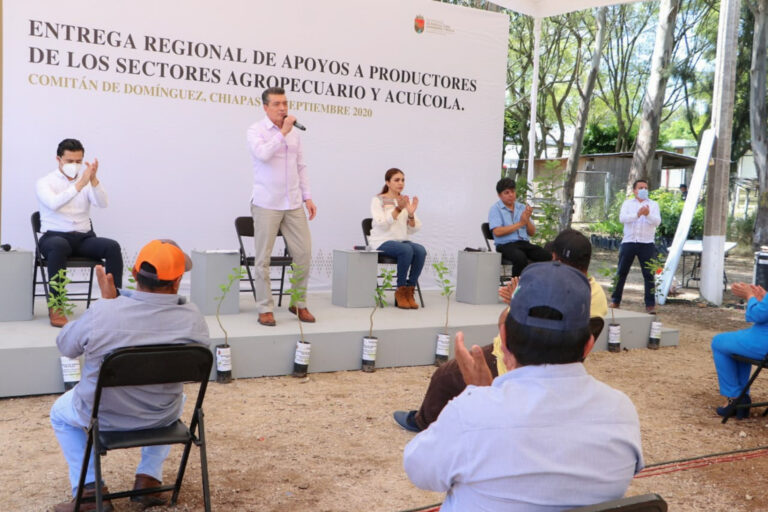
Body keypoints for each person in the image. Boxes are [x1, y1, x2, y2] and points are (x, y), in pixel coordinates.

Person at [403, 262, 643, 511]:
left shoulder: (471, 413)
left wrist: (481, 396)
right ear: (588, 345)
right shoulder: (621, 411)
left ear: (504, 339)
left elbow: (419, 471)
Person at [393, 229, 608, 432]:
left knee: (444, 376)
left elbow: (506, 328)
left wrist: (517, 301)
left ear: (555, 259)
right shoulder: (597, 295)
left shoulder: (544, 287)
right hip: (560, 368)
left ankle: (424, 422)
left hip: (515, 361)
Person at [50, 240, 209, 512]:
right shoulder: (193, 318)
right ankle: (147, 481)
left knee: (59, 413)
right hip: (162, 417)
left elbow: (66, 346)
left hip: (103, 418)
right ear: (178, 281)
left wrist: (107, 303)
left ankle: (90, 493)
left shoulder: (104, 312)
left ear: (134, 275)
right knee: (178, 397)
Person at [247, 86, 317, 327]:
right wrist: (282, 133)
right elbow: (263, 155)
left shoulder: (295, 135)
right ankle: (265, 308)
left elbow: (301, 166)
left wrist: (307, 196)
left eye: (285, 103)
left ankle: (297, 303)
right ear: (265, 107)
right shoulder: (255, 130)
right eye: (277, 104)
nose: (283, 108)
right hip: (267, 202)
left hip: (293, 202)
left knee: (304, 254)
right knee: (263, 259)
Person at [36, 138, 123, 328]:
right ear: (58, 159)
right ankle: (57, 304)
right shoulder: (45, 182)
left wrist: (93, 180)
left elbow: (102, 203)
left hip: (83, 237)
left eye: (78, 161)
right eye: (69, 161)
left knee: (112, 246)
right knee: (59, 245)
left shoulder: (86, 182)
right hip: (53, 237)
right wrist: (80, 184)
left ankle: (114, 301)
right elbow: (53, 203)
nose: (74, 165)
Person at [368, 168, 425, 309]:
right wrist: (398, 209)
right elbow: (381, 224)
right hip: (382, 241)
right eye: (397, 180)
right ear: (388, 182)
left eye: (403, 180)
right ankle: (400, 291)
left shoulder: (404, 201)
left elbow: (413, 229)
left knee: (420, 250)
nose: (401, 183)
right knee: (406, 250)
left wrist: (410, 214)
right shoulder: (378, 200)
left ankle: (409, 290)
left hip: (401, 240)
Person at [710, 281, 768, 419]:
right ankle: (741, 396)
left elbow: (756, 316)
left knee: (718, 342)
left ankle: (734, 396)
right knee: (738, 345)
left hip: (763, 344)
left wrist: (750, 296)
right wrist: (765, 297)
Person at [610, 179, 661, 314]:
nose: (644, 190)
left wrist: (647, 214)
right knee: (621, 272)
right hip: (629, 242)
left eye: (646, 187)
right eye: (640, 187)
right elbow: (622, 219)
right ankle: (615, 300)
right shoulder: (627, 204)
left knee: (649, 275)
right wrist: (638, 214)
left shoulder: (653, 204)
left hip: (647, 243)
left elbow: (657, 222)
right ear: (634, 191)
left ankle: (650, 304)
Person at [488, 177, 550, 276]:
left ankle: (536, 284)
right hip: (505, 245)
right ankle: (516, 288)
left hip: (523, 243)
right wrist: (520, 224)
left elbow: (532, 232)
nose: (511, 195)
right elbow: (497, 232)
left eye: (512, 191)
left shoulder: (521, 207)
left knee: (546, 256)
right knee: (520, 258)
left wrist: (527, 221)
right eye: (506, 192)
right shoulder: (495, 209)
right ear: (499, 195)